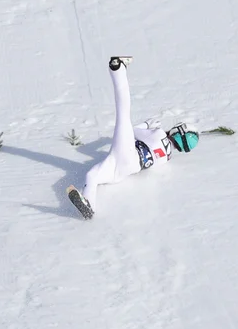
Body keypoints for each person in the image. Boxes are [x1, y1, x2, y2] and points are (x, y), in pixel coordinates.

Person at [70, 56, 199, 217]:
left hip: (129, 153)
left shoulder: (159, 134)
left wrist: (146, 125)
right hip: (126, 169)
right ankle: (89, 207)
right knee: (92, 176)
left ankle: (118, 69)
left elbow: (132, 130)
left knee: (123, 114)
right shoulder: (167, 157)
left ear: (178, 132)